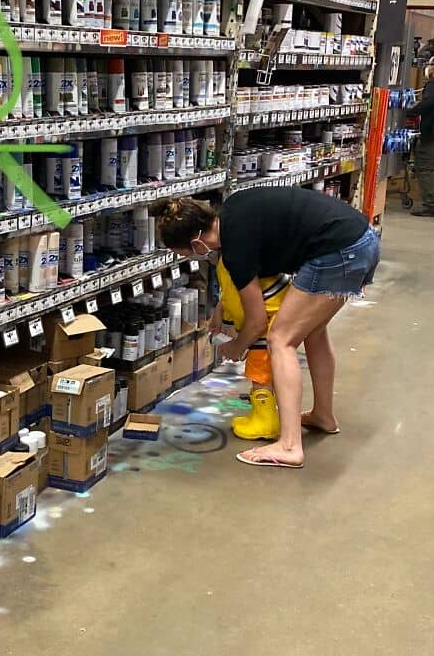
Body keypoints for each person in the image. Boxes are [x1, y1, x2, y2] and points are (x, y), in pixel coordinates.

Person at [153, 190, 380, 469]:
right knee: (313, 331)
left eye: (185, 253)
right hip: (362, 239)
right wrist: (222, 307)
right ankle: (323, 415)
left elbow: (257, 320)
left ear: (196, 243)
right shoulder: (233, 211)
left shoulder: (235, 251)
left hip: (339, 251)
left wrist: (237, 347)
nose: (192, 257)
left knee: (280, 339)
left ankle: (290, 446)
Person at [213, 258, 289, 440]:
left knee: (259, 373)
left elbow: (235, 303)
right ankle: (263, 415)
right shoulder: (235, 254)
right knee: (269, 371)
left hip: (267, 319)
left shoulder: (228, 262)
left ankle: (265, 422)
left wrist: (233, 332)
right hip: (277, 309)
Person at [410, 57, 434, 216]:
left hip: (431, 135)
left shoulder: (433, 85)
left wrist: (411, 111)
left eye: (430, 64)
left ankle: (431, 205)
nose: (427, 67)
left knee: (425, 167)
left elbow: (429, 103)